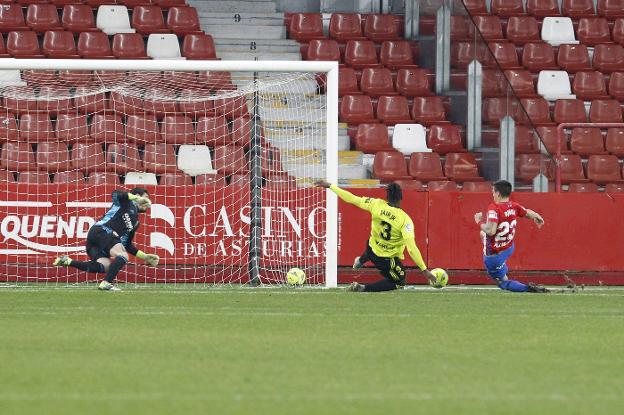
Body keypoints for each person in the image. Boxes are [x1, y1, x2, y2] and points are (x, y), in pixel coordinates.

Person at [316, 181, 435, 291]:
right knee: (400, 282)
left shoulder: (376, 204)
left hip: (371, 249)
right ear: (401, 197)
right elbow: (412, 248)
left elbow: (351, 199)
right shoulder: (405, 220)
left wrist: (330, 186)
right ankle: (363, 288)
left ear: (387, 196)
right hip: (385, 259)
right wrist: (424, 270)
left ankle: (360, 261)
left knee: (372, 246)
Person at [53, 188, 160, 291]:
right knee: (122, 255)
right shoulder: (125, 202)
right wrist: (136, 199)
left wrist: (145, 256)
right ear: (138, 196)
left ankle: (68, 261)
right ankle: (106, 283)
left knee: (106, 266)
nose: (148, 202)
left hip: (99, 239)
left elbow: (127, 245)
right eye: (146, 198)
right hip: (102, 230)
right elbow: (115, 193)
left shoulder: (135, 222)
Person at [474, 180, 549, 293]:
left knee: (503, 282)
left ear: (498, 193)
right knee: (482, 234)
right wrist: (537, 216)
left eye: (493, 192)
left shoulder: (494, 208)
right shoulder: (514, 206)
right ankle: (502, 267)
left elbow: (490, 231)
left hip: (494, 255)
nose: (492, 194)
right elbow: (527, 213)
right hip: (509, 247)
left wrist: (479, 222)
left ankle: (528, 288)